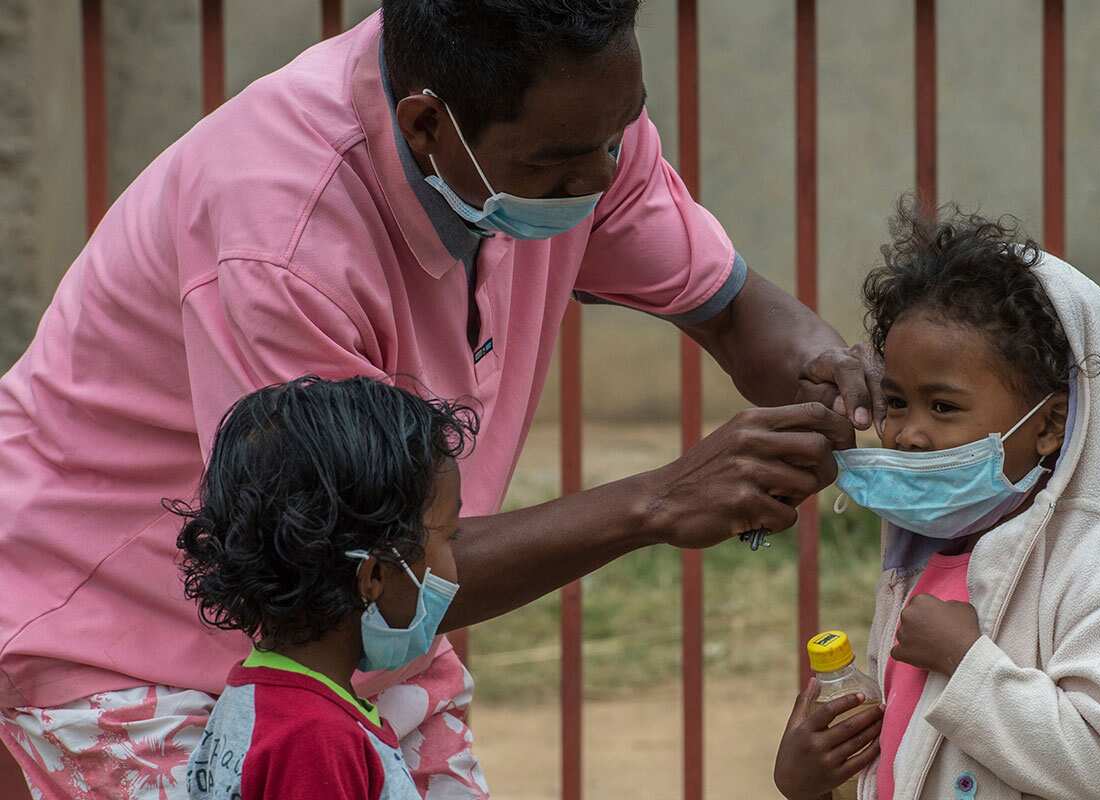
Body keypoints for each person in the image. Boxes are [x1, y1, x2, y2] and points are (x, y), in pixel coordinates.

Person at [0, 2, 882, 797]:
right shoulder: (282, 237)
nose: (603, 175)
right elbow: (345, 573)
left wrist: (836, 378)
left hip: (365, 651)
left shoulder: (572, 128)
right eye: (562, 161)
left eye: (619, 135)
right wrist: (658, 500)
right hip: (129, 642)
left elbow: (729, 309)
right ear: (428, 126)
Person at [774, 201, 1100, 800]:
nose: (909, 434)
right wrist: (812, 782)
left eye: (944, 406)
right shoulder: (919, 556)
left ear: (1051, 422)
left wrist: (967, 660)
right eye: (897, 403)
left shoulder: (1098, 571)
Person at [174, 376, 475, 799]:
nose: (454, 563)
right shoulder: (316, 738)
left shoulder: (263, 697)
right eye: (449, 538)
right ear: (373, 576)